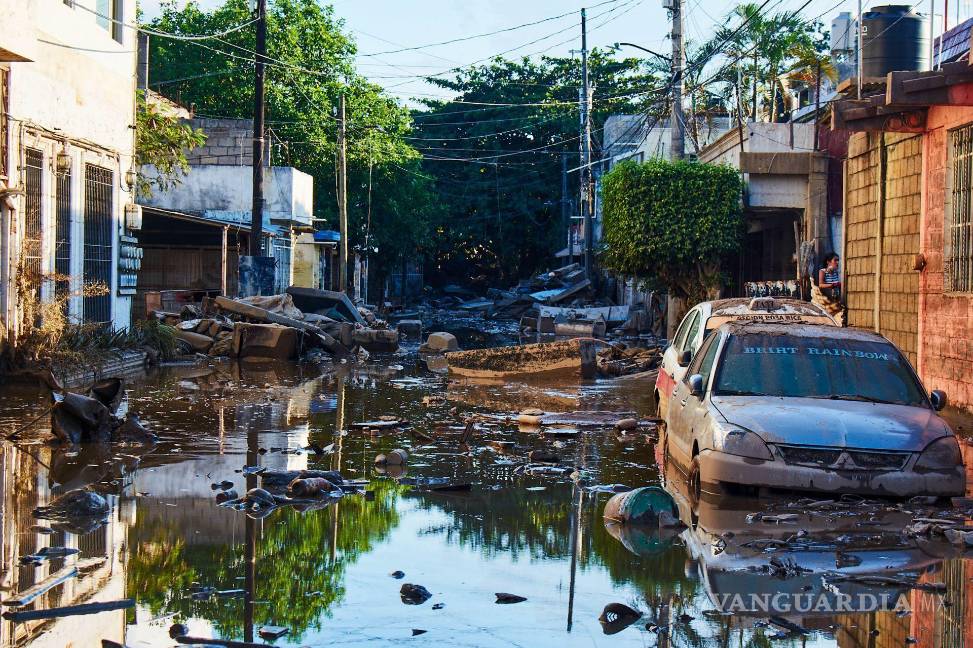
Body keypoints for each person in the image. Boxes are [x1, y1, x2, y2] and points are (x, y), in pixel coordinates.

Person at [812, 252, 844, 326]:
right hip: (826, 300)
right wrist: (832, 285)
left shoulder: (836, 272)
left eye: (838, 260)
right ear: (828, 262)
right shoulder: (823, 271)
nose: (837, 262)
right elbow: (821, 285)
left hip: (835, 300)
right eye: (835, 260)